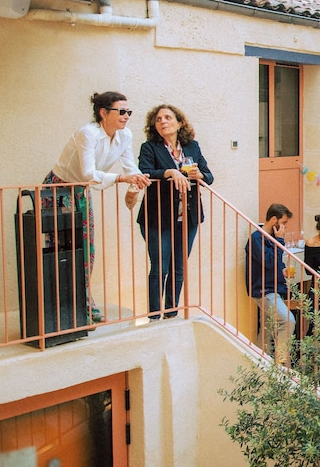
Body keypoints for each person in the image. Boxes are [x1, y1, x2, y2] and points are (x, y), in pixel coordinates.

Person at [45, 92, 151, 322]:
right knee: (59, 251)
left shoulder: (125, 135)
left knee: (86, 249)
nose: (126, 116)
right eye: (121, 111)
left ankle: (83, 302)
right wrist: (121, 179)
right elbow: (88, 174)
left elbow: (130, 167)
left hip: (80, 191)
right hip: (57, 190)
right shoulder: (88, 133)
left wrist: (136, 181)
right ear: (103, 113)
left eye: (128, 112)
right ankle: (58, 308)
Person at [137, 104, 213, 319]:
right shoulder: (149, 147)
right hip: (158, 217)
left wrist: (199, 175)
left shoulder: (192, 146)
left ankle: (171, 313)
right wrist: (170, 172)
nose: (163, 121)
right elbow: (145, 172)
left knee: (179, 268)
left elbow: (209, 176)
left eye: (168, 117)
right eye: (158, 119)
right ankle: (154, 316)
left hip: (187, 217)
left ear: (179, 123)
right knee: (160, 268)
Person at [245, 204, 295, 363]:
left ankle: (261, 363)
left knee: (267, 329)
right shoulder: (257, 238)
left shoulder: (270, 237)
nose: (285, 227)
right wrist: (280, 240)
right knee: (288, 320)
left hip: (273, 287)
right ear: (274, 219)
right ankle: (280, 362)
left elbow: (273, 262)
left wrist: (282, 270)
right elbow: (268, 261)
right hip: (264, 290)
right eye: (284, 222)